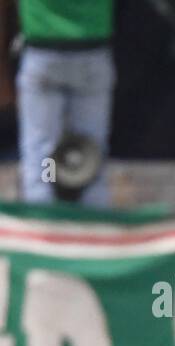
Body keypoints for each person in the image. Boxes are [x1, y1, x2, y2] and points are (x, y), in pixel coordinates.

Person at [16, 0, 115, 207]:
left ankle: (40, 224)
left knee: (41, 155)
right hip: (92, 50)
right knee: (91, 152)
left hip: (42, 53)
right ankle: (95, 226)